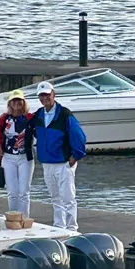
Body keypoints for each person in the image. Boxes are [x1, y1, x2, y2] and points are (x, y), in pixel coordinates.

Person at [28, 81, 87, 231]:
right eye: (41, 95)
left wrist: (75, 156)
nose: (44, 98)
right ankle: (59, 226)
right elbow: (34, 132)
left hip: (63, 162)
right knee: (55, 197)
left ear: (53, 95)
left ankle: (72, 228)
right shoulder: (38, 115)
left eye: (47, 95)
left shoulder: (65, 114)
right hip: (47, 162)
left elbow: (79, 136)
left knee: (68, 197)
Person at [0, 89, 34, 218]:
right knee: (12, 191)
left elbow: (39, 133)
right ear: (10, 103)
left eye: (19, 100)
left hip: (25, 158)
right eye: (14, 100)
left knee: (24, 191)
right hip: (9, 158)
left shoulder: (30, 118)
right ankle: (13, 218)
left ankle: (24, 219)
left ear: (23, 102)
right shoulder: (4, 119)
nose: (16, 103)